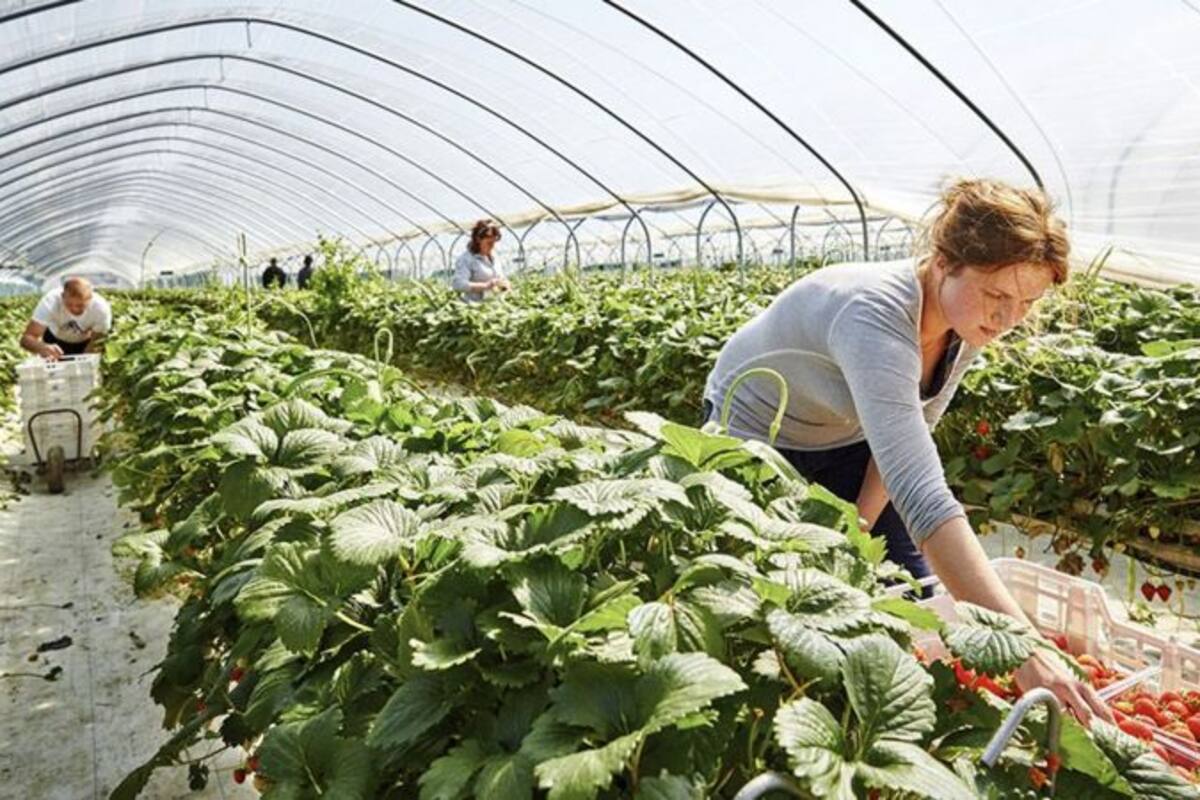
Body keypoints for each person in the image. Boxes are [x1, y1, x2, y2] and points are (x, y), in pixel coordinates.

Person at [703, 178, 1113, 729]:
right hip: (757, 430)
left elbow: (906, 443)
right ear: (944, 262)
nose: (1009, 318)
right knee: (764, 602)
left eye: (1028, 303)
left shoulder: (963, 326)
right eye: (997, 296)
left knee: (908, 600)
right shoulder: (872, 316)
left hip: (845, 434)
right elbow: (924, 496)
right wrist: (1024, 649)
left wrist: (857, 529)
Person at [20, 277, 112, 360]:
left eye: (80, 306)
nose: (74, 309)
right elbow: (27, 339)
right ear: (62, 297)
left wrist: (84, 361)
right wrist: (42, 347)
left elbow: (96, 342)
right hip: (53, 339)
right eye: (69, 305)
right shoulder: (50, 302)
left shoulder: (101, 309)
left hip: (84, 343)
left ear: (90, 299)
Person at [452, 219, 511, 302]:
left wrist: (505, 284)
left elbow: (500, 277)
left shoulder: (495, 256)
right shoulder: (466, 259)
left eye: (494, 241)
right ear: (478, 239)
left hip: (495, 304)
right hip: (475, 308)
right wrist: (486, 286)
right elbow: (458, 284)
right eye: (489, 242)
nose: (492, 245)